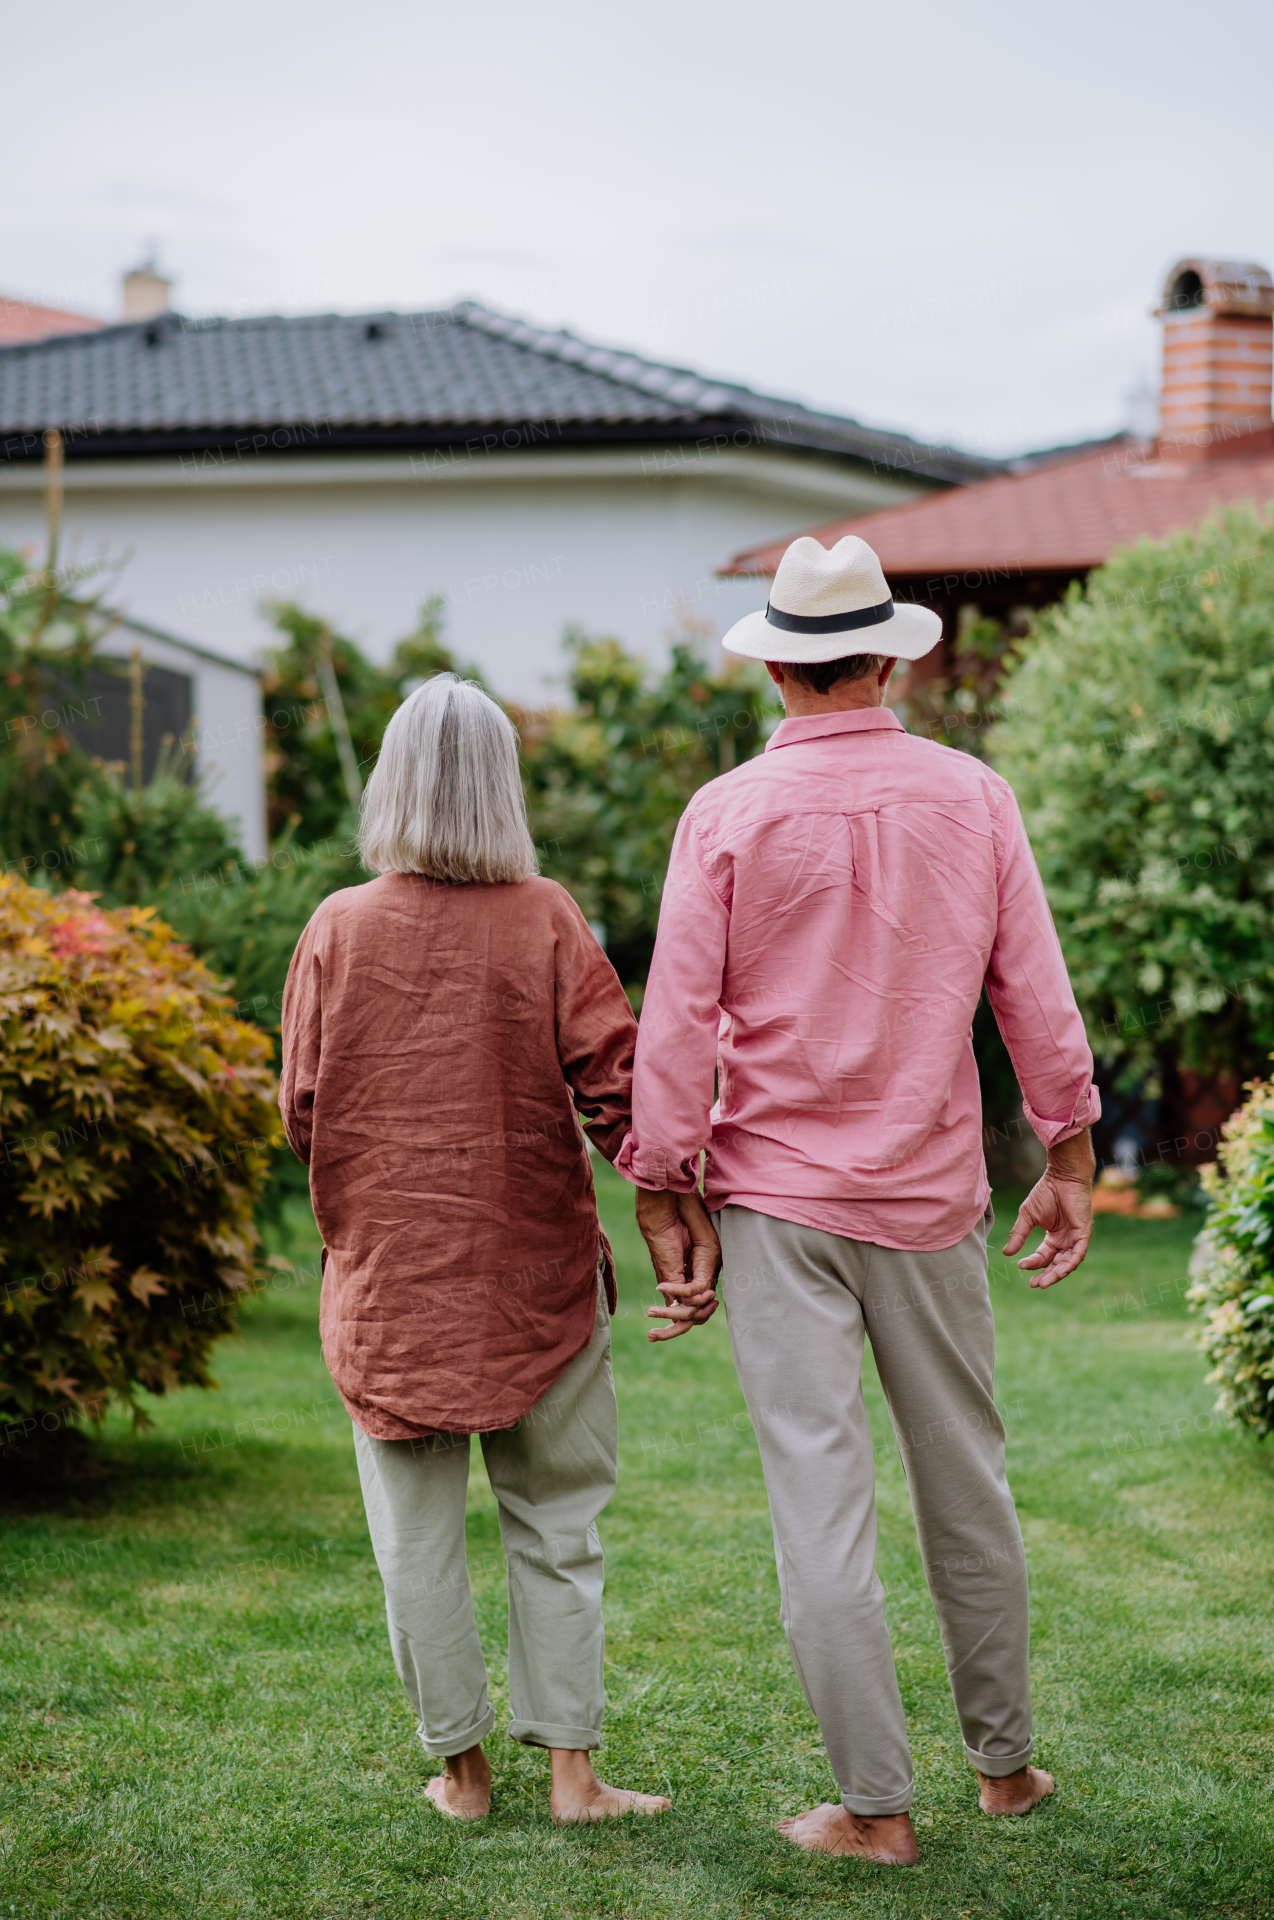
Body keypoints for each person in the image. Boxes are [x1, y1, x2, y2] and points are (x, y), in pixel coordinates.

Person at [619, 535, 1098, 1866]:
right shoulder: (975, 797)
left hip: (777, 1204)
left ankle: (875, 1814)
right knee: (968, 1479)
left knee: (817, 1504)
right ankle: (1004, 1773)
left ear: (776, 663)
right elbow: (1037, 1003)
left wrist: (665, 1186)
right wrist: (1066, 1155)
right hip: (933, 1196)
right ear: (889, 656)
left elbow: (676, 1025)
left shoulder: (724, 815)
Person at [280, 674, 676, 1824]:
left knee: (415, 1541)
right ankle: (573, 1779)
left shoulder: (336, 928)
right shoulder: (546, 914)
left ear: (389, 784)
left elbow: (300, 1108)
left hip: (388, 1282)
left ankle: (461, 1775)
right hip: (534, 1279)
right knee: (556, 1525)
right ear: (501, 787)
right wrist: (670, 1198)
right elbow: (618, 1088)